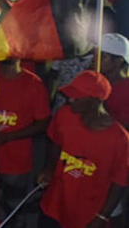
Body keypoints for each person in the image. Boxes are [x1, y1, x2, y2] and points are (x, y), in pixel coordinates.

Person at [38, 71, 129, 228]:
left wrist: (101, 217)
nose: (70, 99)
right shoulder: (64, 115)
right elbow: (56, 144)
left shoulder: (120, 139)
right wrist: (48, 169)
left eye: (77, 96)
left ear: (95, 101)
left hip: (87, 215)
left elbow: (119, 183)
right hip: (55, 204)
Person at [0, 58, 51, 228]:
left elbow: (43, 123)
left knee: (13, 206)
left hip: (15, 160)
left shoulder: (33, 84)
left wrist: (9, 137)